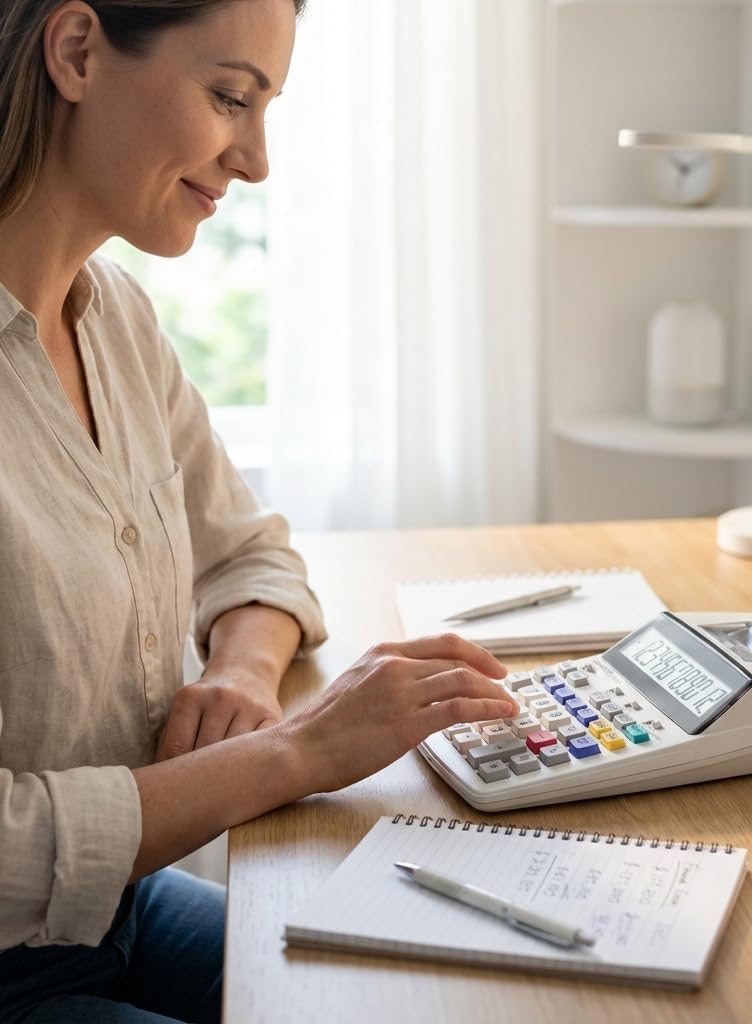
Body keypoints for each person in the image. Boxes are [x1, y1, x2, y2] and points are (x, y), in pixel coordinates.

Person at [0, 2, 520, 1021]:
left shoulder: (116, 324)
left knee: (427, 994)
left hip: (114, 912)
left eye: (265, 106)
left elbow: (253, 557)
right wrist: (293, 749)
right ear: (75, 52)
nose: (256, 159)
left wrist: (243, 669)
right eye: (229, 97)